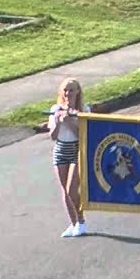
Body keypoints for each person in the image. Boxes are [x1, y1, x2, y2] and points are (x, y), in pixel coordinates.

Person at [48, 78, 86, 238]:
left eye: (71, 90)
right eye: (65, 90)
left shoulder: (84, 110)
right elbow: (52, 136)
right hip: (61, 149)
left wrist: (70, 121)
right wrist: (57, 121)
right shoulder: (55, 109)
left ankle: (82, 221)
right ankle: (73, 223)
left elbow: (83, 135)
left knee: (72, 189)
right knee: (65, 190)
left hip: (76, 149)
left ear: (77, 92)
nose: (67, 93)